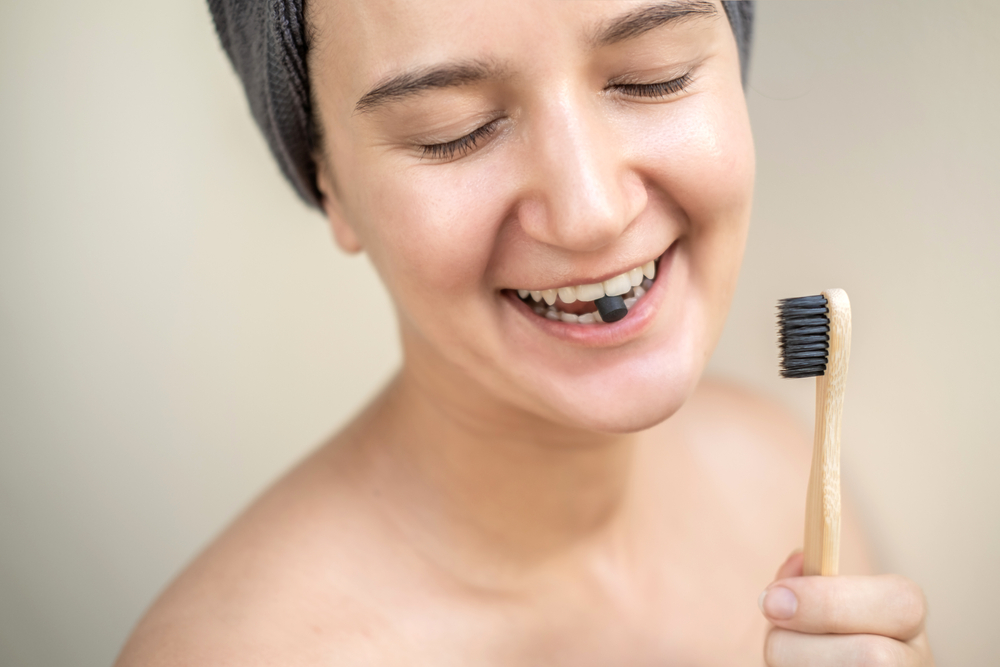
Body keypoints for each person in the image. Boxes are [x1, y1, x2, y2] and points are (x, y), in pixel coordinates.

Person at [116, 1, 934, 664]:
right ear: (327, 181)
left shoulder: (776, 473)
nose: (590, 212)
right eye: (454, 129)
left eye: (654, 77)